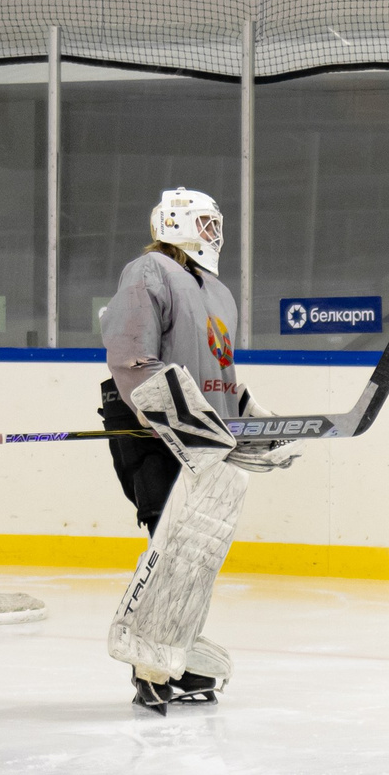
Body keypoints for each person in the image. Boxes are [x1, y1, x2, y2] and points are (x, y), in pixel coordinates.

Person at [97, 187, 254, 710]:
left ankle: (172, 653)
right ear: (174, 224)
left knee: (198, 551)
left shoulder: (219, 291)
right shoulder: (149, 272)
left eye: (216, 223)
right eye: (205, 223)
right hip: (151, 431)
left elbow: (220, 371)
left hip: (205, 435)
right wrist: (170, 411)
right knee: (173, 547)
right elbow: (130, 357)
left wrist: (246, 414)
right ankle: (149, 665)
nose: (214, 234)